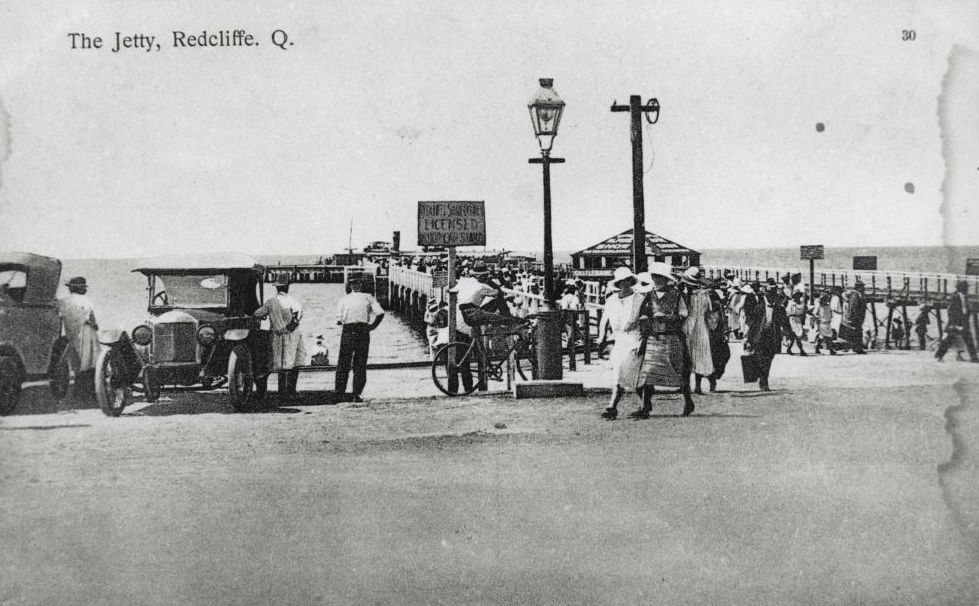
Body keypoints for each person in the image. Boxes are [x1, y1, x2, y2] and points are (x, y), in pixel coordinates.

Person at [635, 262, 695, 418]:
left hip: (671, 337)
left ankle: (688, 401)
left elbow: (683, 314)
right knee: (648, 372)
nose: (657, 280)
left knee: (679, 371)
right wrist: (646, 319)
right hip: (654, 338)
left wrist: (668, 318)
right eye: (655, 277)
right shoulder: (649, 295)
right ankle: (645, 405)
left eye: (660, 277)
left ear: (665, 279)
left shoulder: (676, 295)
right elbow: (643, 313)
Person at [599, 267, 646, 419]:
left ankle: (612, 406)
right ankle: (642, 405)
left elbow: (645, 322)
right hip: (619, 339)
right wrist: (601, 338)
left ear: (631, 282)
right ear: (618, 284)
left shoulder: (640, 299)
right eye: (621, 282)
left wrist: (643, 341)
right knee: (619, 372)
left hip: (634, 338)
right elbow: (604, 320)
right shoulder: (611, 300)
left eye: (627, 281)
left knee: (628, 371)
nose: (624, 284)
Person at [253, 274, 306, 401]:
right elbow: (297, 318)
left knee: (278, 363)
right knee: (293, 363)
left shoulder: (271, 302)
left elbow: (257, 314)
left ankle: (278, 393)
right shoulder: (294, 301)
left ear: (276, 288)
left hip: (276, 335)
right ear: (287, 287)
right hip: (292, 335)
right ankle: (289, 392)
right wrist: (286, 329)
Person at [335, 278, 385, 401]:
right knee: (360, 363)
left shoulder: (344, 299)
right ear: (360, 285)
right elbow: (380, 313)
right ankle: (356, 394)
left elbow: (339, 320)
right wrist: (372, 326)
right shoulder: (368, 297)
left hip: (348, 330)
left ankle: (339, 392)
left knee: (343, 363)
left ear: (349, 286)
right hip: (362, 330)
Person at [744, 281, 791, 391]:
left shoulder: (779, 308)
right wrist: (749, 339)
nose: (772, 298)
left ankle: (764, 377)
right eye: (769, 295)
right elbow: (753, 324)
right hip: (760, 336)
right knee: (760, 358)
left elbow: (785, 322)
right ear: (766, 295)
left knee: (769, 358)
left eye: (773, 295)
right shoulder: (759, 307)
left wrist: (788, 335)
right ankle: (763, 381)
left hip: (773, 336)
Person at [58, 276, 100, 399]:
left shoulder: (63, 302)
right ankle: (89, 393)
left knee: (76, 363)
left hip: (71, 334)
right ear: (81, 289)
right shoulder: (85, 301)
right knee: (90, 362)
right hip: (87, 332)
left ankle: (78, 392)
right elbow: (91, 318)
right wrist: (96, 327)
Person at [680, 267, 714, 394]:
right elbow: (709, 312)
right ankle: (696, 385)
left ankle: (690, 385)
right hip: (700, 325)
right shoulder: (704, 295)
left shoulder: (686, 295)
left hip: (689, 324)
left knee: (690, 354)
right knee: (699, 354)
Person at [935, 280, 978, 363]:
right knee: (948, 340)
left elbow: (965, 310)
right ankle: (939, 355)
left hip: (963, 323)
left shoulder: (965, 297)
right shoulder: (954, 297)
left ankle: (974, 358)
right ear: (960, 288)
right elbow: (951, 311)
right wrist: (954, 324)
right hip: (955, 323)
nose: (966, 290)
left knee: (969, 340)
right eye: (965, 288)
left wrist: (968, 313)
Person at [703, 278, 731, 392]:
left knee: (724, 355)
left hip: (717, 333)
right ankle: (712, 379)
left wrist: (725, 330)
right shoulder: (704, 299)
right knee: (712, 357)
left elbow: (722, 317)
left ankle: (714, 376)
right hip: (707, 333)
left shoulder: (716, 299)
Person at [840, 281, 868, 354]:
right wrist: (855, 317)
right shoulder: (856, 295)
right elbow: (854, 307)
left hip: (856, 317)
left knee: (855, 332)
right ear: (859, 287)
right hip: (856, 318)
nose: (864, 288)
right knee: (857, 333)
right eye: (862, 287)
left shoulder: (856, 294)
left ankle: (856, 347)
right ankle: (858, 348)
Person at [784, 291, 808, 355]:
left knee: (796, 335)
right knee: (796, 335)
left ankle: (789, 349)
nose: (798, 297)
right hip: (792, 319)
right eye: (797, 296)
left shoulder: (801, 304)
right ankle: (801, 350)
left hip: (798, 319)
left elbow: (804, 312)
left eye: (799, 296)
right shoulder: (791, 303)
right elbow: (788, 312)